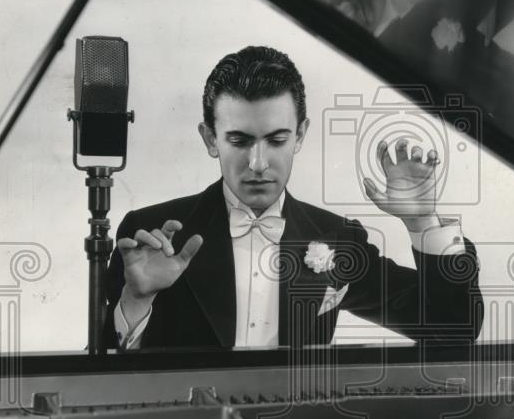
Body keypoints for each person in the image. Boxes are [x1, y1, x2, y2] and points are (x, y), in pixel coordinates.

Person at [106, 45, 482, 350]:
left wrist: (422, 222)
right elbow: (93, 372)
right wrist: (136, 299)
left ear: (300, 135)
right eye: (239, 140)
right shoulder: (150, 234)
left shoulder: (337, 238)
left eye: (277, 139)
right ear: (209, 139)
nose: (257, 163)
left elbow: (452, 331)